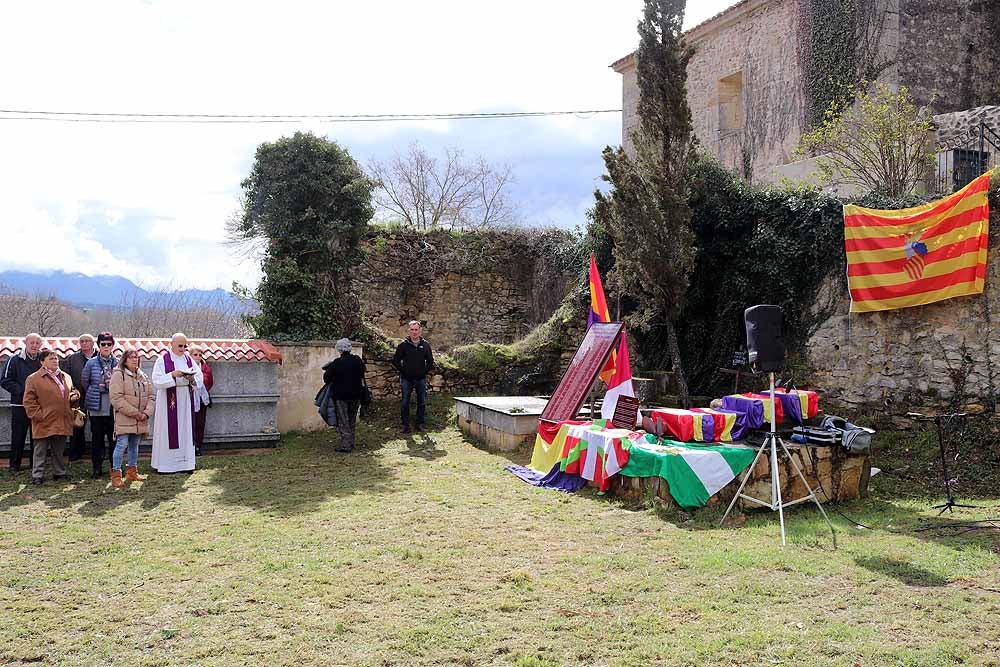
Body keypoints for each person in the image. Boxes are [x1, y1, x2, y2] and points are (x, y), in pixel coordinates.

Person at [22, 350, 79, 485]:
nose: (55, 360)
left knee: (59, 449)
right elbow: (28, 401)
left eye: (56, 358)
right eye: (51, 358)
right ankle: (37, 475)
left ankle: (59, 473)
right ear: (42, 362)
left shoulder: (66, 376)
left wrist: (75, 395)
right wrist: (39, 415)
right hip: (43, 419)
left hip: (61, 418)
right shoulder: (33, 378)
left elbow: (70, 393)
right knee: (40, 450)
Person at [150, 333, 203, 474]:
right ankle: (167, 465)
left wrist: (191, 378)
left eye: (185, 346)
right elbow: (156, 380)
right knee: (168, 432)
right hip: (169, 400)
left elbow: (199, 377)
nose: (183, 348)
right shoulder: (162, 360)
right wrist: (172, 375)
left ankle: (185, 464)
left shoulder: (189, 359)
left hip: (185, 398)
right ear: (171, 344)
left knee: (185, 430)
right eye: (180, 345)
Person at [108, 348, 155, 489]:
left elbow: (151, 397)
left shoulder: (143, 376)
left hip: (140, 418)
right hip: (125, 417)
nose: (135, 359)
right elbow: (116, 398)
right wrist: (135, 413)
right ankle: (116, 475)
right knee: (122, 444)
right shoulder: (118, 375)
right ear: (124, 360)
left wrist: (146, 413)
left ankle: (132, 472)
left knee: (135, 445)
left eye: (136, 357)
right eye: (131, 357)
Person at [2, 333, 42, 474]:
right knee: (18, 436)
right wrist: (24, 391)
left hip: (38, 405)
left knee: (37, 436)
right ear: (25, 343)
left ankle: (35, 465)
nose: (34, 345)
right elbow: (5, 381)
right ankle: (14, 465)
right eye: (32, 342)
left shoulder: (43, 360)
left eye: (37, 343)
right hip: (20, 405)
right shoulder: (14, 359)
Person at [82, 332, 118, 478]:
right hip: (96, 406)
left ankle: (114, 467)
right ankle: (97, 468)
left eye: (109, 344)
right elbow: (85, 382)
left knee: (113, 439)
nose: (106, 347)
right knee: (97, 439)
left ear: (113, 346)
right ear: (98, 345)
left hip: (113, 407)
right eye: (103, 344)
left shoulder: (118, 362)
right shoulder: (91, 363)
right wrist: (98, 387)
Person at [322, 338, 365, 453]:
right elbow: (362, 373)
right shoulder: (357, 360)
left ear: (339, 350)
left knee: (343, 421)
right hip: (356, 394)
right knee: (351, 419)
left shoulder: (337, 363)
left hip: (341, 396)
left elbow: (326, 378)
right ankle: (351, 442)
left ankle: (346, 445)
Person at [391, 320, 434, 434]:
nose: (414, 332)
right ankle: (405, 426)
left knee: (422, 402)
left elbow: (430, 361)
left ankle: (419, 424)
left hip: (421, 379)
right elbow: (395, 360)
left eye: (416, 329)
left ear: (420, 331)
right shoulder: (403, 345)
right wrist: (403, 370)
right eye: (412, 330)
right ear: (409, 331)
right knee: (405, 402)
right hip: (406, 379)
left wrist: (424, 372)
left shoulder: (425, 345)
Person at [60, 333, 96, 461]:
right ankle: (76, 452)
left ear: (93, 343)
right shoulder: (72, 358)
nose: (84, 343)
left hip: (97, 396)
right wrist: (73, 391)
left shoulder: (100, 357)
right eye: (82, 341)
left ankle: (98, 453)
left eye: (87, 341)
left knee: (97, 426)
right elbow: (65, 377)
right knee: (77, 425)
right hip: (78, 397)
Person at [189, 345, 213, 456]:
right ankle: (189, 446)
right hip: (189, 398)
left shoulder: (206, 368)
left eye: (200, 355)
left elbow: (210, 382)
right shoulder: (187, 367)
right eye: (195, 354)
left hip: (202, 399)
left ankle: (198, 446)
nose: (198, 357)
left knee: (200, 423)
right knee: (189, 424)